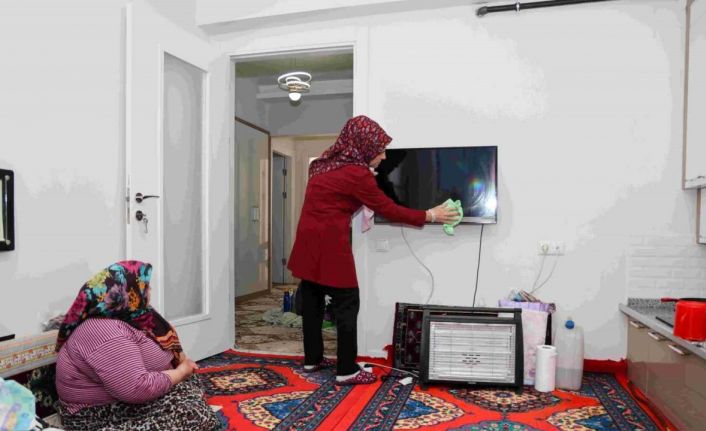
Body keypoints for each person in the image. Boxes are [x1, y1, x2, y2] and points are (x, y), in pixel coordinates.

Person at [287, 115, 460, 385]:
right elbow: (388, 209)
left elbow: (338, 199)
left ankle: (312, 359)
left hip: (307, 240)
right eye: (379, 149)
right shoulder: (357, 175)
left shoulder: (321, 165)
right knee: (347, 303)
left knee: (312, 300)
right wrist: (431, 215)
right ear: (363, 145)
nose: (383, 156)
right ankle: (347, 370)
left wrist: (366, 182)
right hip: (330, 243)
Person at [54, 261, 220, 431]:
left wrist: (181, 367)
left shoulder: (136, 314)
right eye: (144, 286)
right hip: (98, 412)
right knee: (191, 414)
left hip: (129, 397)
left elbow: (170, 345)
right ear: (125, 292)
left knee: (189, 386)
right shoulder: (104, 331)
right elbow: (135, 389)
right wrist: (180, 372)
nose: (149, 290)